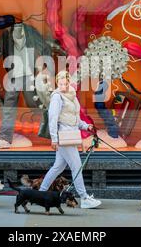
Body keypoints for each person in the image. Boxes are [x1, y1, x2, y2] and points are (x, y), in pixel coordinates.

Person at [39, 70, 102, 209]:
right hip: (63, 136)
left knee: (57, 167)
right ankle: (84, 198)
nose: (63, 86)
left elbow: (75, 118)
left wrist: (86, 126)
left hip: (71, 135)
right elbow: (53, 119)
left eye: (65, 83)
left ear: (69, 82)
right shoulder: (56, 97)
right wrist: (54, 139)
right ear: (57, 83)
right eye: (60, 84)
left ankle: (41, 193)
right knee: (77, 167)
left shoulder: (72, 94)